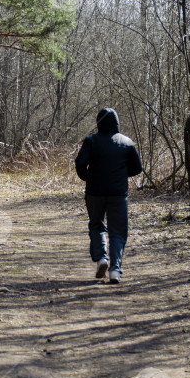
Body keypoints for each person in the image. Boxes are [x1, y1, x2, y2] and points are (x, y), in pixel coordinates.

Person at [74, 108, 143, 283]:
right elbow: (137, 168)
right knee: (118, 231)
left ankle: (102, 258)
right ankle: (115, 271)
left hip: (94, 192)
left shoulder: (91, 141)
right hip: (118, 194)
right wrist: (119, 175)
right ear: (117, 122)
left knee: (97, 226)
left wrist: (87, 177)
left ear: (98, 122)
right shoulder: (127, 142)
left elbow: (80, 162)